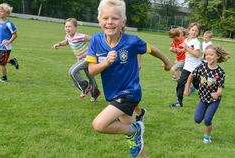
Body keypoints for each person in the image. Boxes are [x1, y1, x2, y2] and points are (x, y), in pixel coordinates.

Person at [85, 0, 171, 157]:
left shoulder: (132, 41)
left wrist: (167, 63)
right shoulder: (96, 40)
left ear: (123, 22)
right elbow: (91, 70)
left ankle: (135, 129)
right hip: (114, 94)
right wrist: (106, 62)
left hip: (130, 93)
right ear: (99, 20)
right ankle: (136, 137)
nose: (109, 22)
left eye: (115, 18)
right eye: (105, 18)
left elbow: (152, 50)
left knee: (99, 124)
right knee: (135, 143)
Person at [184, 44, 230, 143]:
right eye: (206, 54)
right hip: (203, 98)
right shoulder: (202, 67)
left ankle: (207, 136)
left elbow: (220, 87)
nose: (208, 56)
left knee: (207, 120)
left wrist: (217, 94)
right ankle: (204, 115)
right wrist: (187, 89)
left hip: (214, 100)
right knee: (197, 119)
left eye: (211, 54)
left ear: (217, 56)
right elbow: (191, 75)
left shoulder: (220, 72)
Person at [52, 18, 100, 102]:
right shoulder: (68, 36)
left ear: (75, 27)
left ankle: (86, 87)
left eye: (70, 26)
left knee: (72, 71)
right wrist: (59, 44)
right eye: (66, 26)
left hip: (88, 58)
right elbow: (66, 41)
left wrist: (96, 50)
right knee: (90, 76)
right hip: (80, 59)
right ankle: (95, 93)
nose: (67, 28)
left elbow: (93, 39)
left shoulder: (80, 36)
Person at [170, 22, 202, 107]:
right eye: (192, 30)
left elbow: (197, 54)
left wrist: (186, 47)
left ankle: (211, 95)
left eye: (196, 31)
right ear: (189, 31)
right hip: (187, 67)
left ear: (198, 33)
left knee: (197, 85)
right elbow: (184, 50)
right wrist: (175, 50)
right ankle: (179, 102)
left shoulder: (196, 42)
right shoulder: (186, 40)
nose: (194, 32)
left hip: (196, 68)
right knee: (180, 83)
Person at [0, 3, 19, 82]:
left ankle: (4, 78)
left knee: (2, 64)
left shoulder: (9, 23)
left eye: (2, 12)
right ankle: (12, 61)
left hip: (6, 48)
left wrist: (8, 42)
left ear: (7, 13)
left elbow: (15, 35)